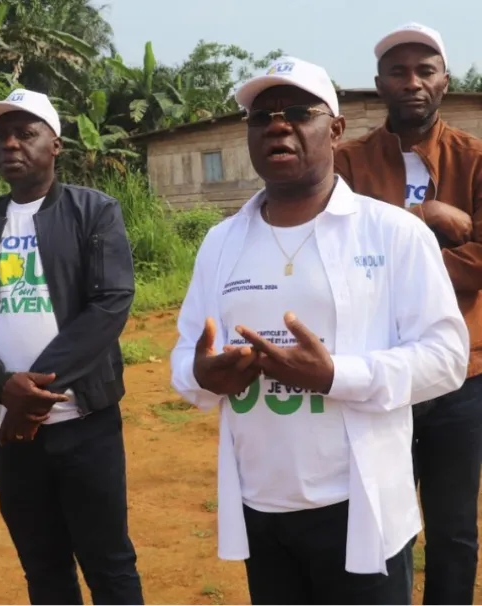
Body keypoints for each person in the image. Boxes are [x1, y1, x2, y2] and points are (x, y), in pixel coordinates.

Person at [170, 56, 470, 604]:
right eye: (262, 118)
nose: (277, 126)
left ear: (334, 130)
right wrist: (203, 373)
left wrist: (336, 375)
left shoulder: (394, 234)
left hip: (358, 502)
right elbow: (187, 352)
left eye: (297, 113)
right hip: (263, 503)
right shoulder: (221, 242)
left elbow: (447, 357)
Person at [0, 88, 144, 605]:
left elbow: (110, 303)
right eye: (1, 136)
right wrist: (1, 385)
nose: (10, 144)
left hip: (84, 422)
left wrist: (32, 396)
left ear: (55, 146)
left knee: (109, 562)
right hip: (8, 430)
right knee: (42, 565)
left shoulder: (93, 211)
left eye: (25, 134)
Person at [333, 22, 482, 604]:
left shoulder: (474, 158)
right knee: (376, 519)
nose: (413, 82)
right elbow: (339, 257)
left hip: (461, 373)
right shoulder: (347, 164)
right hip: (376, 373)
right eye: (399, 72)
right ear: (380, 85)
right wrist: (429, 225)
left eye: (425, 71)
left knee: (453, 528)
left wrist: (395, 258)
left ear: (445, 82)